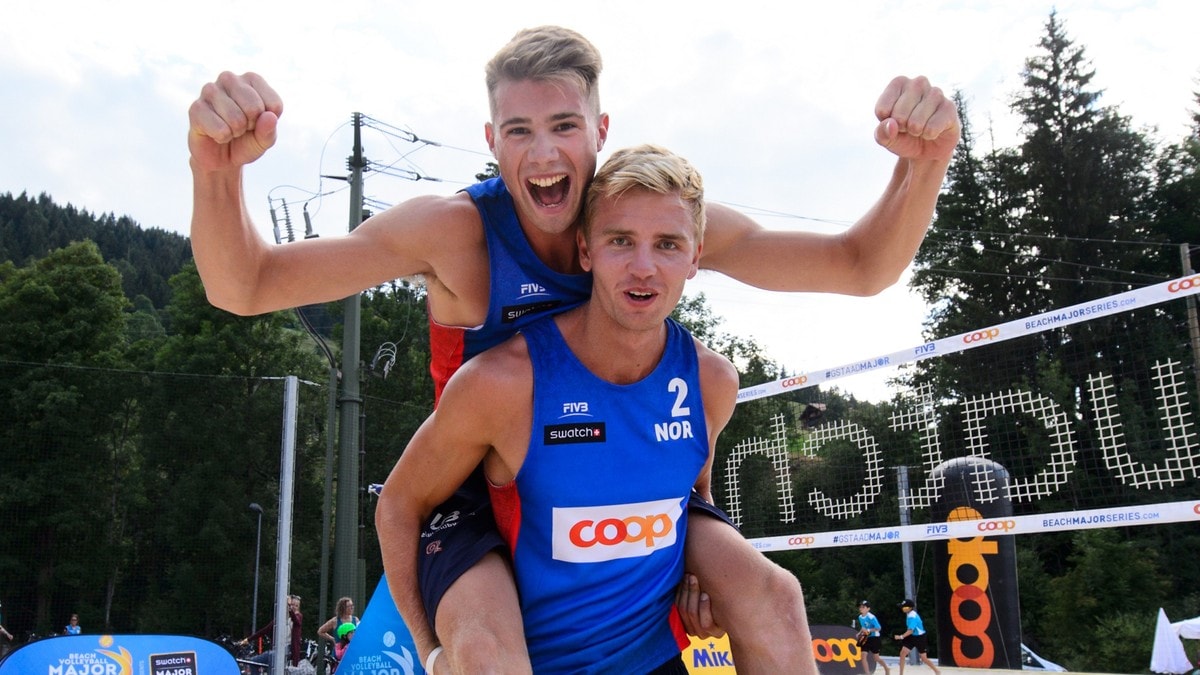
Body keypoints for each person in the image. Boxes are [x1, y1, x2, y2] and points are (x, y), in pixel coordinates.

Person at [188, 25, 958, 673]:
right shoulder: (456, 233)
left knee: (774, 594)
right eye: (518, 132)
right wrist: (214, 171)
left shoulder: (647, 214)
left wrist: (923, 162)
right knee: (486, 644)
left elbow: (861, 266)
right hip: (479, 483)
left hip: (623, 462)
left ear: (601, 130)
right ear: (491, 141)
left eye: (563, 125)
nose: (544, 153)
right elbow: (245, 284)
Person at [379, 143, 806, 673]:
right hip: (526, 649)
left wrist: (703, 583)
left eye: (667, 244)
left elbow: (693, 494)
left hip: (642, 653)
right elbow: (398, 505)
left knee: (777, 596)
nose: (643, 267)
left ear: (695, 257)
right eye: (621, 241)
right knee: (486, 654)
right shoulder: (505, 381)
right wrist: (429, 651)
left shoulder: (712, 381)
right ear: (586, 251)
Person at [241, 594, 304, 673]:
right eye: (292, 605)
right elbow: (265, 630)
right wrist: (248, 639)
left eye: (296, 606)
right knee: (254, 661)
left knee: (272, 657)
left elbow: (296, 620)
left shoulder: (298, 617)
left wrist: (289, 608)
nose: (294, 607)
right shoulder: (280, 619)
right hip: (276, 649)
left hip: (288, 650)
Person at [893, 598, 940, 675]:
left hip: (920, 637)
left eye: (904, 607)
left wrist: (900, 637)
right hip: (912, 636)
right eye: (902, 607)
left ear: (910, 608)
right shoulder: (909, 614)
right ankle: (901, 673)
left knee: (924, 658)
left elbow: (910, 630)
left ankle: (937, 671)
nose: (903, 609)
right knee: (902, 653)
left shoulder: (913, 617)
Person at [855, 600, 890, 675]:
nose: (861, 608)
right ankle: (867, 673)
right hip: (865, 637)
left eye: (863, 607)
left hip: (874, 638)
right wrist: (859, 633)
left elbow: (878, 628)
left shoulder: (871, 617)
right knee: (863, 656)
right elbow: (863, 626)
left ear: (868, 609)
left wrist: (868, 630)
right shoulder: (860, 617)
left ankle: (886, 668)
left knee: (876, 658)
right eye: (860, 607)